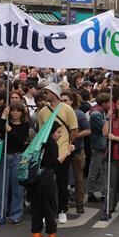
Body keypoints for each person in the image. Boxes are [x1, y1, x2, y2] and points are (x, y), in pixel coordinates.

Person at [36, 83, 78, 224]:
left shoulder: (67, 109)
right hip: (47, 155)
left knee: (62, 183)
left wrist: (68, 144)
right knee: (45, 186)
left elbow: (74, 129)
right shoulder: (42, 112)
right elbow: (41, 133)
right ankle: (45, 212)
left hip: (63, 153)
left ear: (55, 93)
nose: (44, 94)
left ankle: (62, 210)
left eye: (47, 92)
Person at [31, 121, 74, 237]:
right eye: (58, 132)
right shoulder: (52, 144)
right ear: (51, 132)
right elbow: (55, 163)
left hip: (34, 178)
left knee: (36, 208)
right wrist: (67, 152)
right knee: (49, 207)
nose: (60, 135)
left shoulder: (37, 142)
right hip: (46, 177)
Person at [0, 101, 29, 225]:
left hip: (18, 157)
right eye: (13, 110)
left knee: (17, 188)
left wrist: (10, 130)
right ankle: (0, 216)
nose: (15, 113)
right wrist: (4, 116)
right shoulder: (5, 123)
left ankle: (16, 215)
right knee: (2, 188)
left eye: (17, 110)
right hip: (4, 156)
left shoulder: (25, 125)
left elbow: (20, 141)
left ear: (22, 113)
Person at [61, 90, 90, 215]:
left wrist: (74, 135)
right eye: (61, 101)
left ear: (71, 101)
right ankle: (62, 203)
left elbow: (88, 130)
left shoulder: (79, 114)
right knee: (62, 178)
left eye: (65, 100)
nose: (63, 103)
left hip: (77, 150)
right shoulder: (58, 113)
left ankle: (79, 203)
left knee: (78, 178)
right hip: (62, 151)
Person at [87, 92, 111, 203]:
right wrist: (108, 118)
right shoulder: (96, 114)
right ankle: (90, 192)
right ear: (104, 103)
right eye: (109, 102)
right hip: (98, 145)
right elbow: (105, 127)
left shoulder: (100, 112)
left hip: (102, 145)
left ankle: (104, 192)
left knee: (103, 171)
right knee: (94, 170)